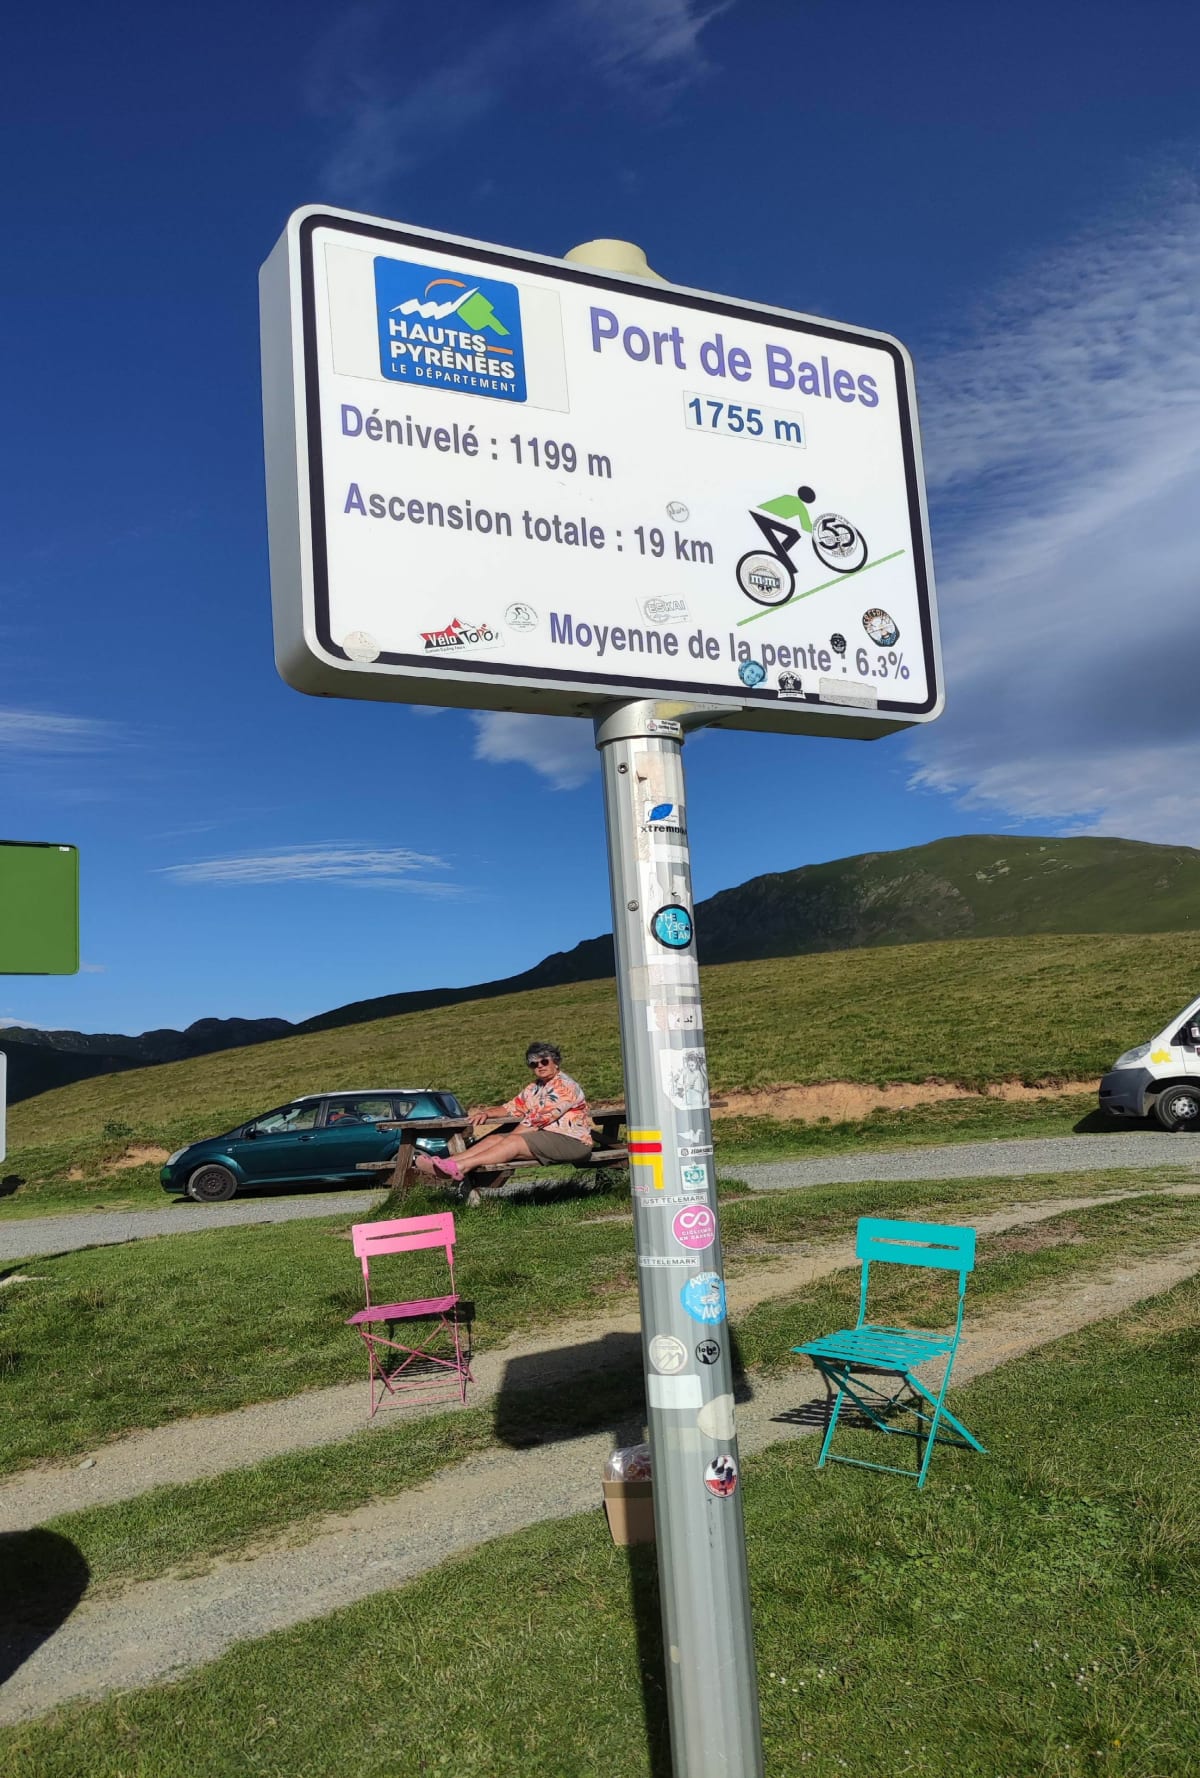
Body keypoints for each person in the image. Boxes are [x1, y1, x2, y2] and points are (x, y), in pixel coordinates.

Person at [417, 1042, 592, 1188]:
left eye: (544, 1061)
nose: (539, 1066)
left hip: (572, 1142)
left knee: (512, 1141)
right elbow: (513, 1107)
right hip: (546, 1137)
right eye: (533, 1064)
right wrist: (487, 1113)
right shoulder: (535, 1087)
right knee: (493, 1139)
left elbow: (537, 1120)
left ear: (556, 1062)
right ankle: (446, 1163)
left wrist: (508, 1138)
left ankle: (461, 1167)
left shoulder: (564, 1087)